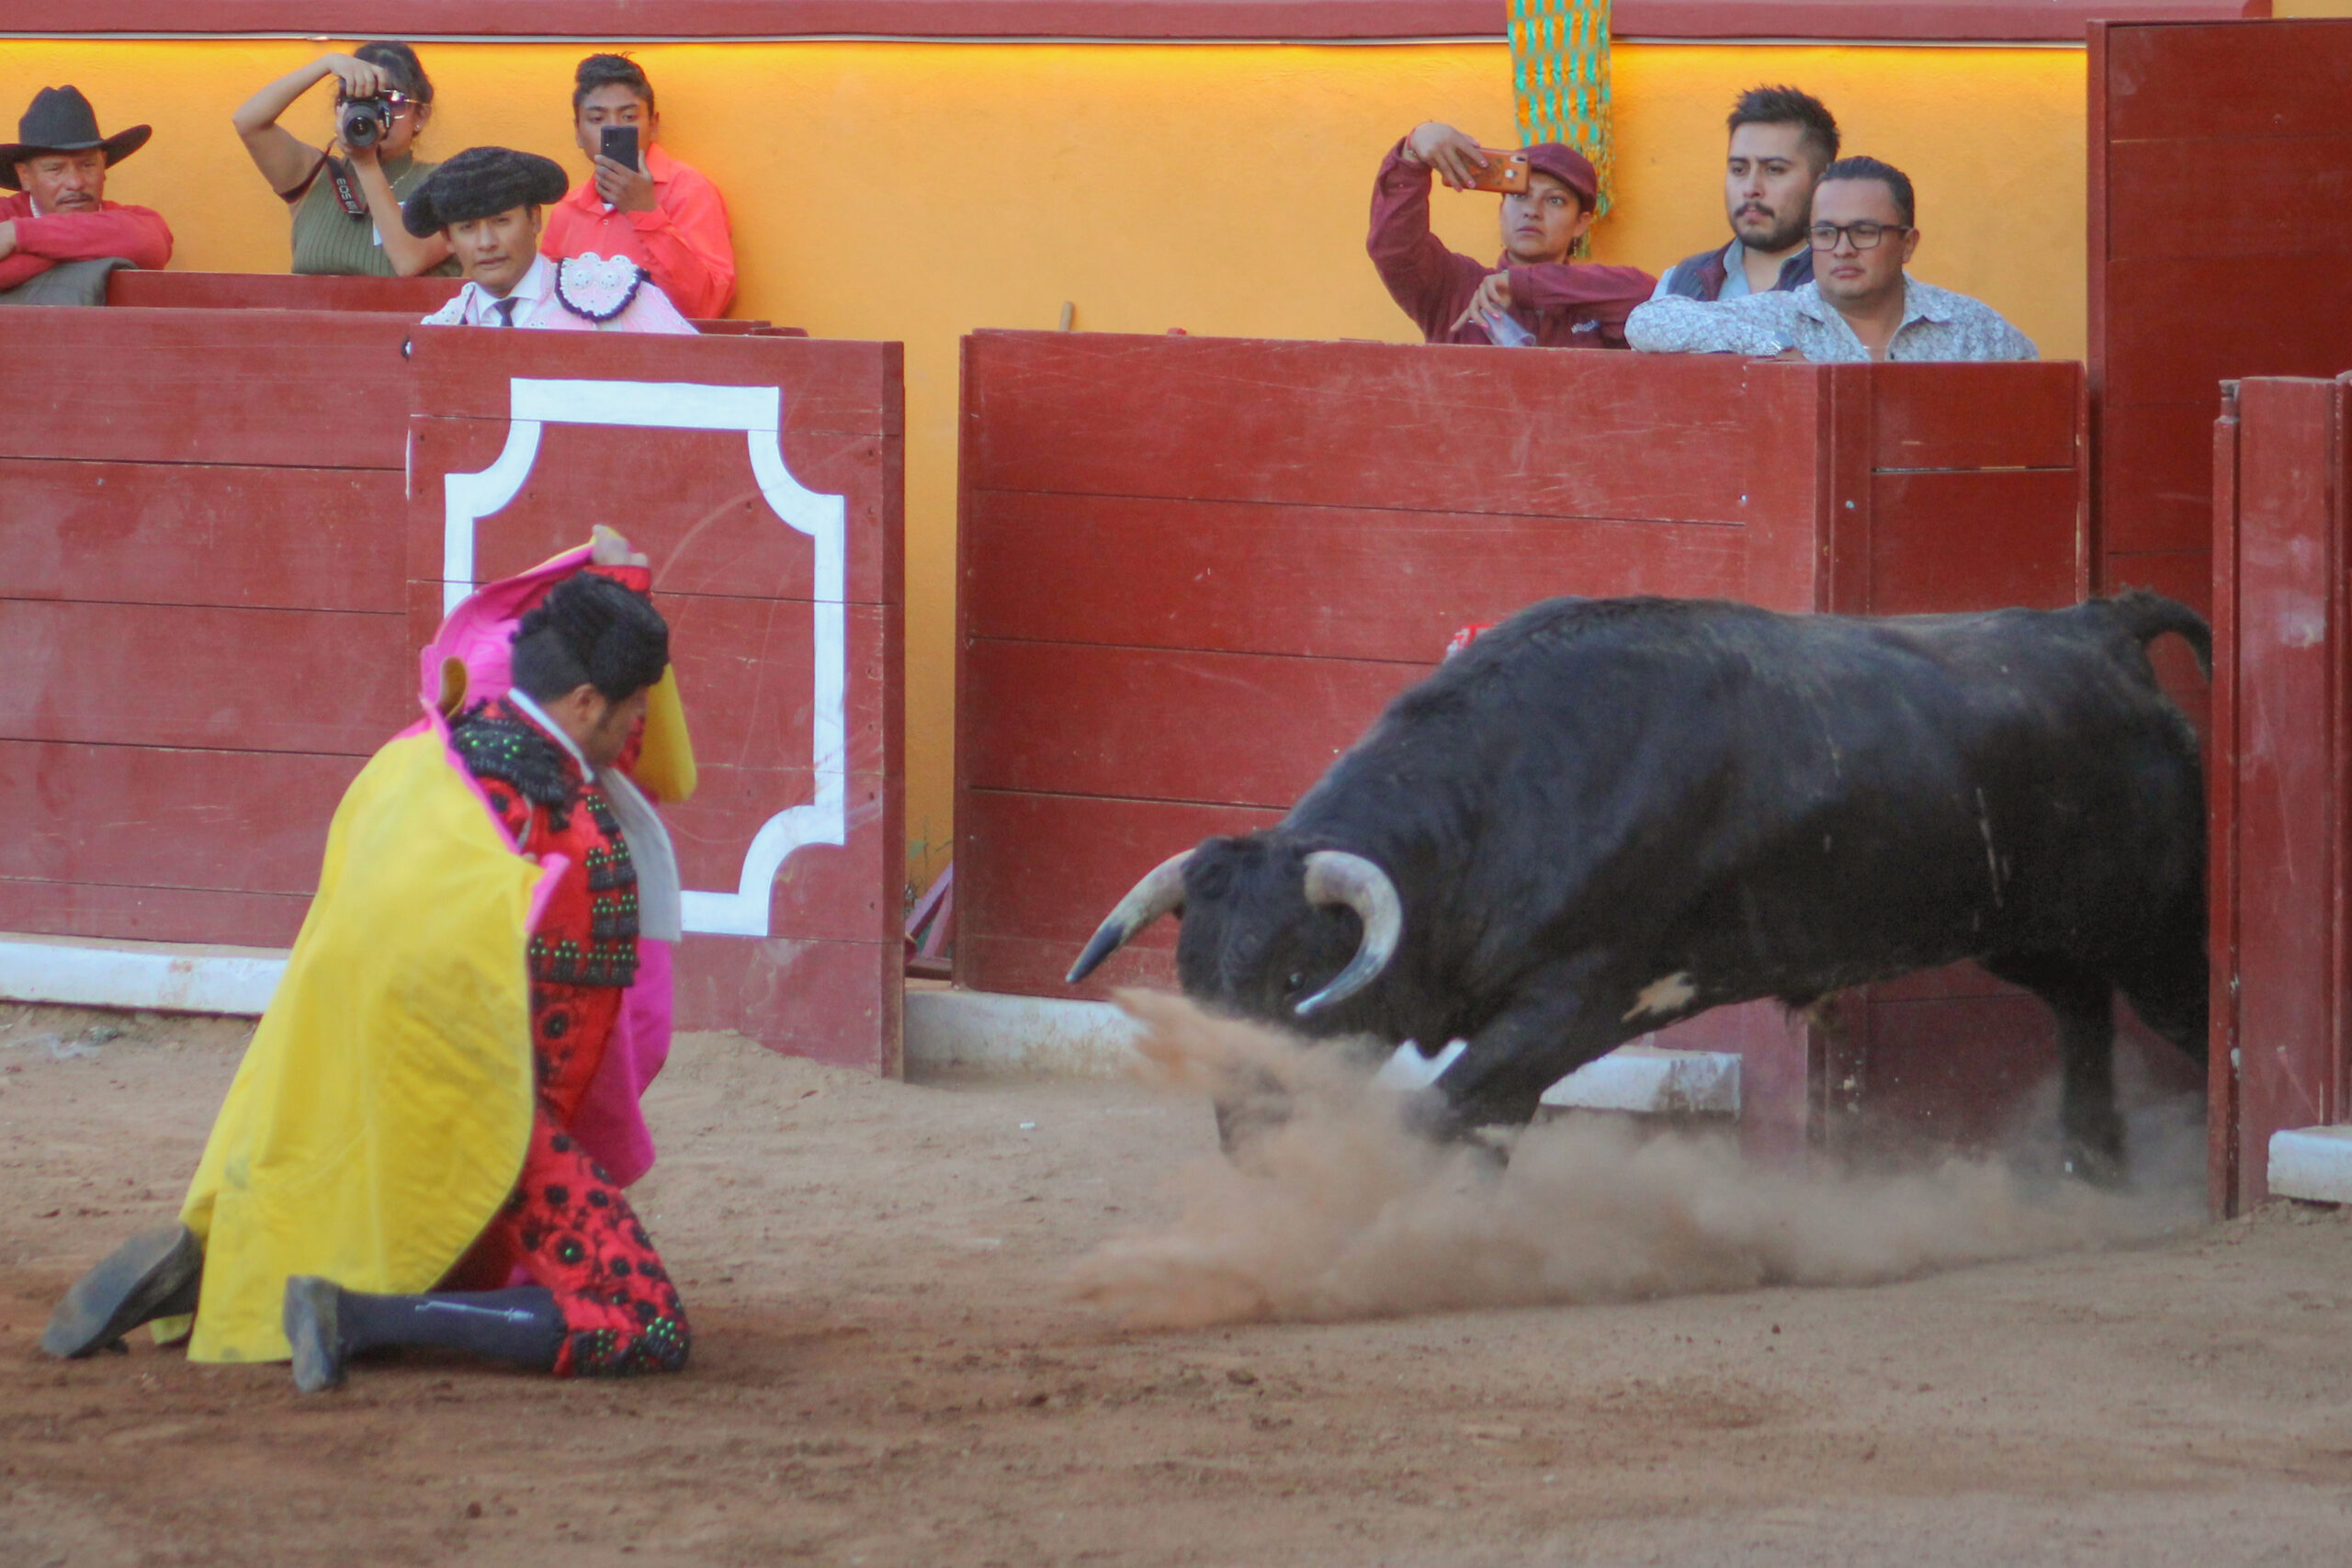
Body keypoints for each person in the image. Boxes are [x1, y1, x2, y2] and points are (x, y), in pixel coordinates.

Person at [41, 534, 700, 1392]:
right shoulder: (564, 825)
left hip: (354, 1071)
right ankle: (358, 1317)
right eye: (628, 710)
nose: (635, 732)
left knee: (344, 1196)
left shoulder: (431, 752)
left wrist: (617, 581)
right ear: (583, 702)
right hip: (484, 1113)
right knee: (639, 1316)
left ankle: (208, 1269)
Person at [1625, 156, 2036, 363]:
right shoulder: (1779, 317)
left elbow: (2045, 401)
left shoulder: (1968, 328)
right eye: (1825, 233)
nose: (1842, 248)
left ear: (1908, 244)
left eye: (1863, 231)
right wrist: (1774, 352)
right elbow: (1646, 323)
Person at [1368, 121, 1654, 349]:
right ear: (1501, 210)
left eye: (1555, 200)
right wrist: (1413, 152)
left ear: (1581, 224)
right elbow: (1395, 250)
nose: (1532, 211)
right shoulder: (1456, 287)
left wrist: (1524, 285)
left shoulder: (1595, 300)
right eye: (1520, 197)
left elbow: (1649, 295)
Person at [408, 146, 695, 333]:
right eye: (467, 228)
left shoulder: (612, 294)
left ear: (535, 219)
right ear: (448, 239)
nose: (486, 242)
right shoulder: (441, 330)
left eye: (502, 221)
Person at [232, 41, 457, 278]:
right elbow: (248, 122)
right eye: (361, 101)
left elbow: (408, 261)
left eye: (390, 102)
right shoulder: (315, 174)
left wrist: (365, 163)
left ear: (420, 115)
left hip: (402, 316)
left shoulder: (444, 184)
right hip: (309, 314)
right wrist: (326, 63)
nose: (377, 115)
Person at [540, 53, 735, 320]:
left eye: (628, 117)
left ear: (653, 125)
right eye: (597, 119)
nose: (613, 129)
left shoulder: (688, 190)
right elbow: (547, 310)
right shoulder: (567, 210)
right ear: (577, 132)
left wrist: (645, 212)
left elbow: (704, 306)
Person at [1651, 85, 1838, 303]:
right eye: (1739, 169)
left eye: (1774, 170)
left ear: (1822, 182)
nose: (1751, 189)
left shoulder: (1849, 284)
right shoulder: (1679, 284)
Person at [0, 85, 172, 306]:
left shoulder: (134, 221)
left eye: (88, 165)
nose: (76, 183)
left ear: (103, 166)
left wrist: (18, 234)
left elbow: (149, 244)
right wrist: (97, 246)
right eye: (55, 169)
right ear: (24, 176)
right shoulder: (5, 212)